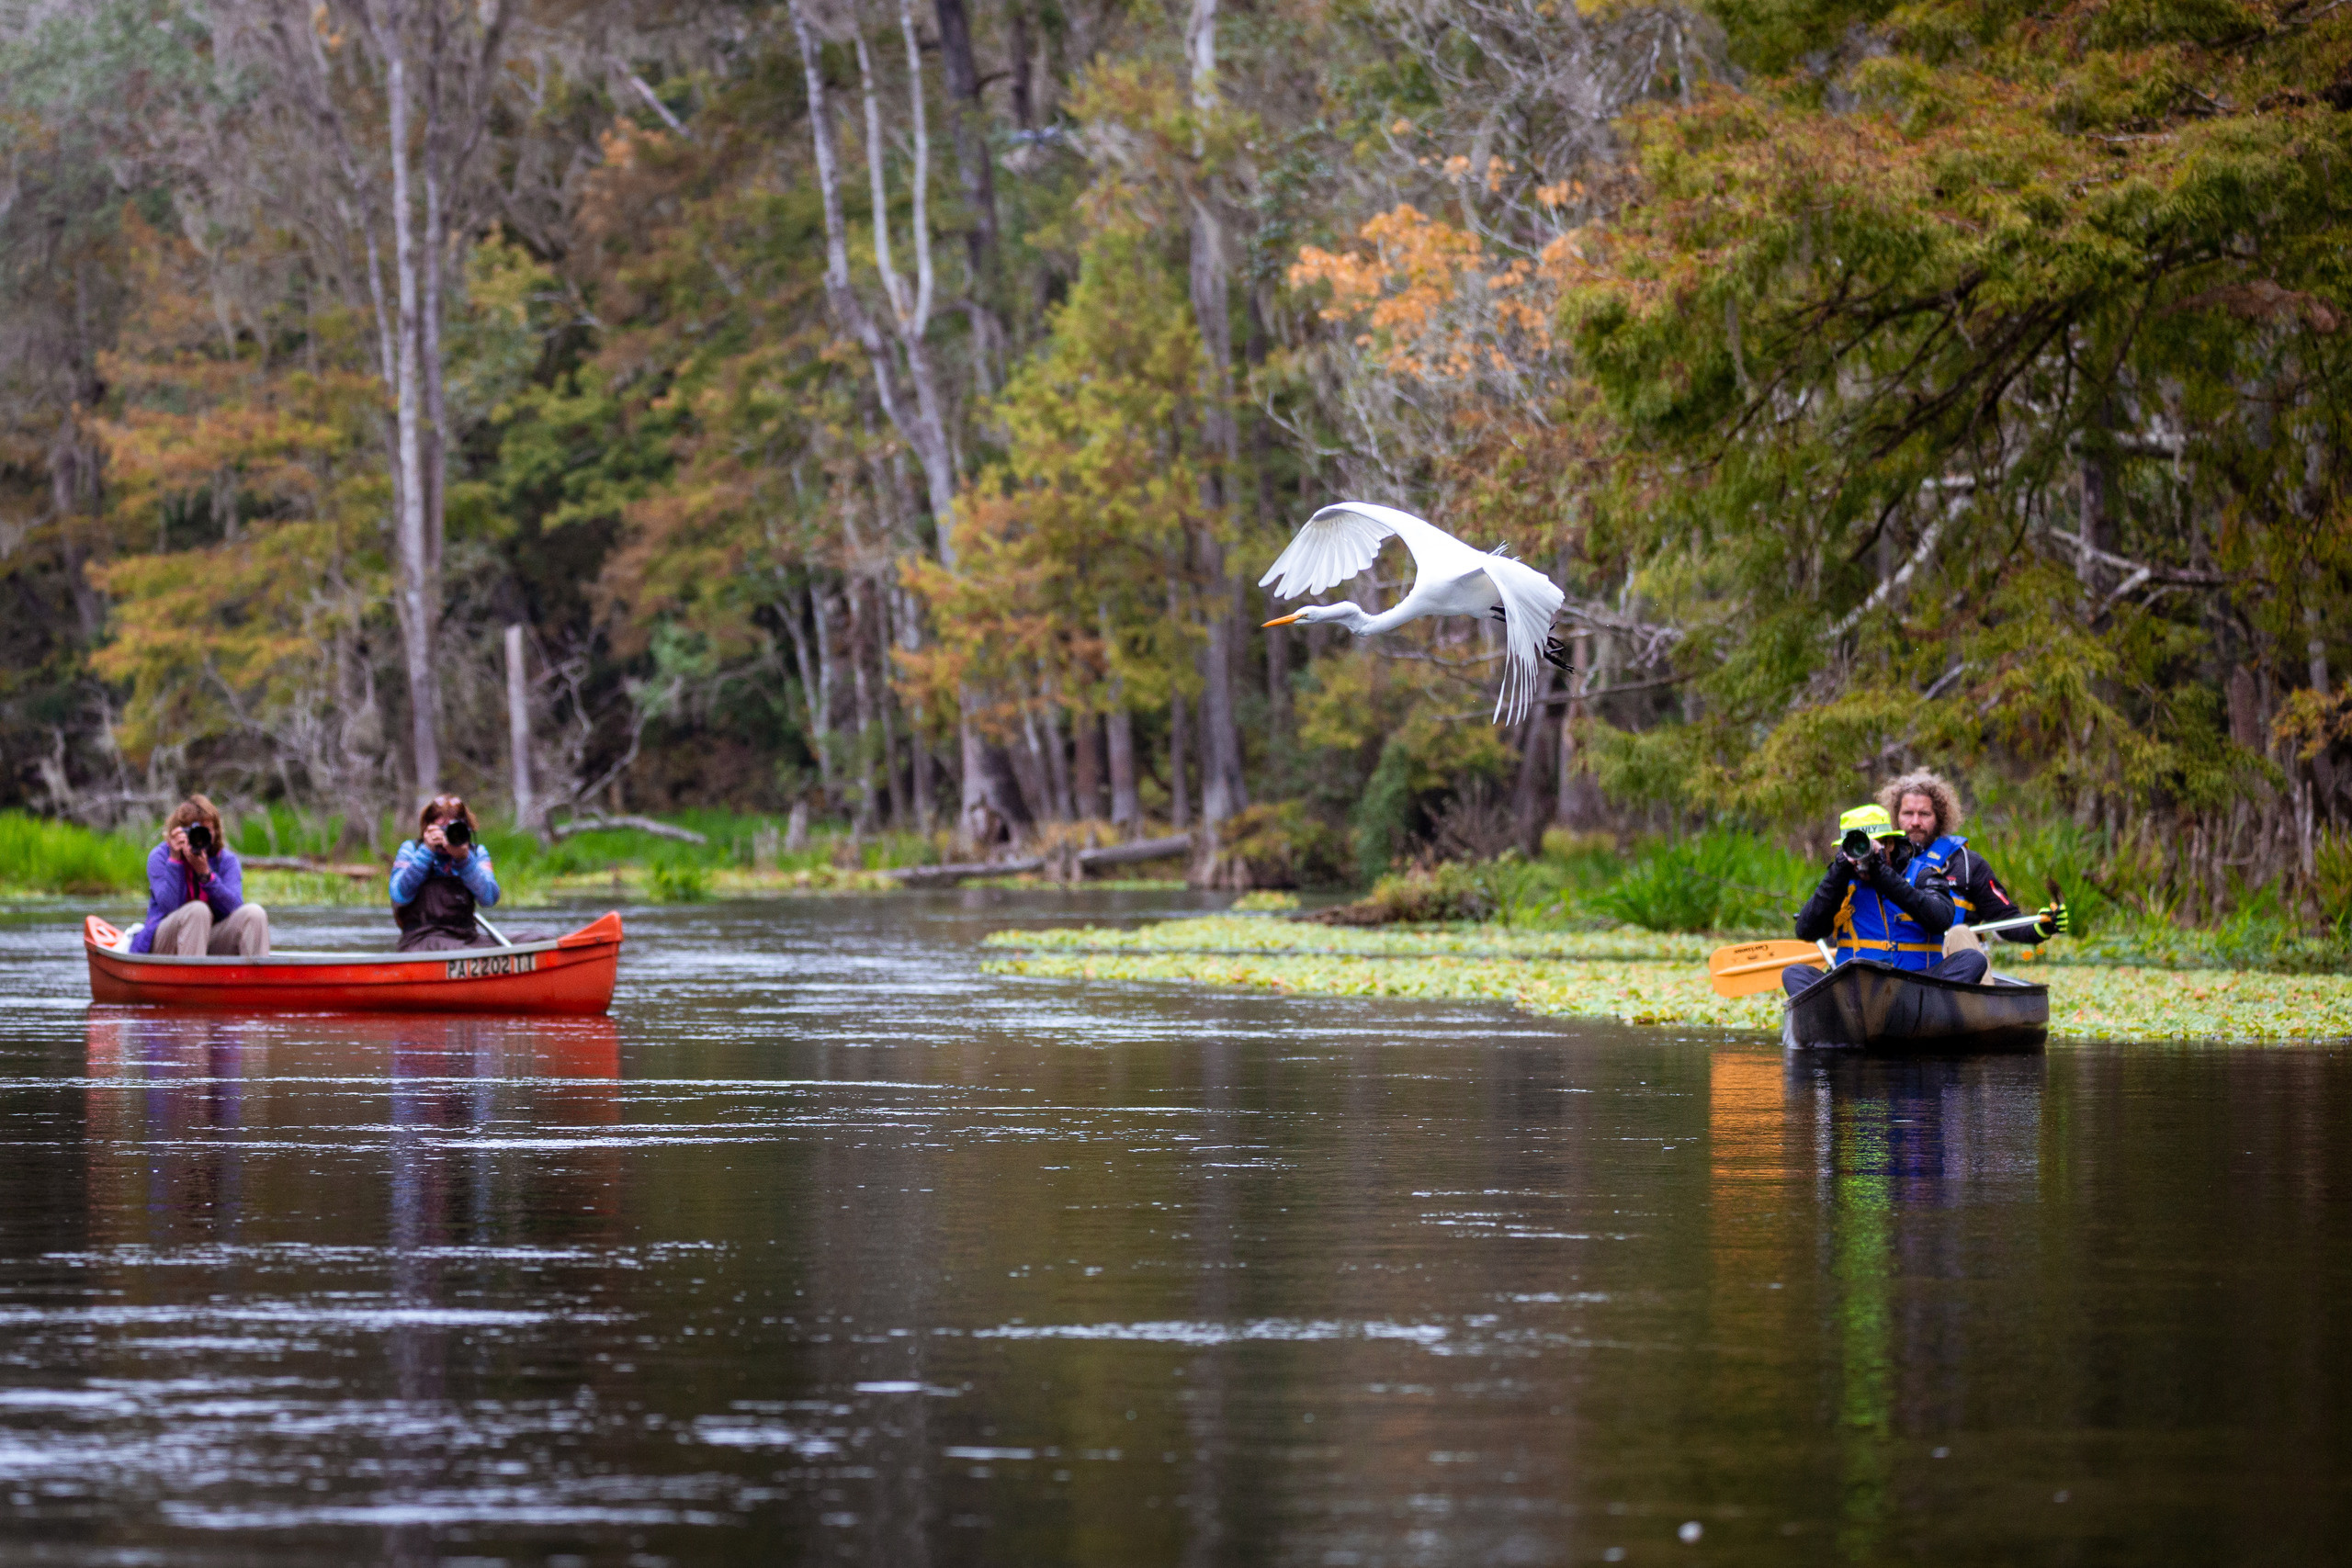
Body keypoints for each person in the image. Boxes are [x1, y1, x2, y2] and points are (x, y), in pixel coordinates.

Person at [1781, 803, 1968, 997]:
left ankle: (1931, 1008)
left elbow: (1941, 919)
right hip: (1856, 990)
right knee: (1794, 974)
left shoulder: (1922, 874)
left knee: (1971, 960)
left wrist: (1882, 874)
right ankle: (1840, 1012)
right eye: (1855, 848)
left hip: (1918, 985)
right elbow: (1806, 930)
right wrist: (1838, 871)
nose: (1862, 856)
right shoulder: (1840, 882)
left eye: (1869, 846)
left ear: (1890, 844)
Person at [1878, 770, 2069, 947]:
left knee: (1960, 938)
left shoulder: (1968, 864)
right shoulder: (1881, 862)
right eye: (1908, 813)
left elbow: (2006, 919)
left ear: (1940, 817)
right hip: (1899, 963)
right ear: (1895, 817)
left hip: (1958, 962)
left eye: (1924, 814)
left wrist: (2040, 926)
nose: (1915, 822)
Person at [132, 795, 270, 957]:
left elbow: (234, 908)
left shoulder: (226, 861)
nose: (199, 837)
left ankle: (256, 974)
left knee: (254, 914)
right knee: (198, 910)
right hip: (165, 941)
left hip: (209, 940)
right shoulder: (160, 857)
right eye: (194, 831)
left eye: (206, 830)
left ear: (216, 831)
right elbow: (168, 908)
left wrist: (206, 875)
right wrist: (175, 862)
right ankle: (191, 974)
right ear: (179, 831)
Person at [390, 795, 503, 952]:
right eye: (442, 830)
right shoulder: (412, 850)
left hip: (466, 938)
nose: (448, 837)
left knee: (534, 939)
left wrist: (464, 861)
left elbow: (489, 898)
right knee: (463, 951)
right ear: (428, 828)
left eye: (454, 830)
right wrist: (427, 852)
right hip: (422, 940)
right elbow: (399, 895)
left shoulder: (476, 853)